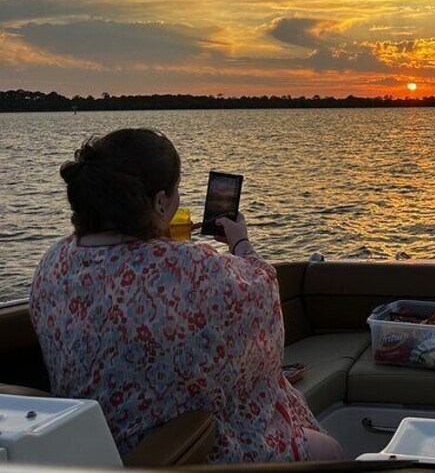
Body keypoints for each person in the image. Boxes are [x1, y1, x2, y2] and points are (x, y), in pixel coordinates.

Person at [30, 128, 343, 463]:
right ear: (161, 201)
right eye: (176, 191)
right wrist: (241, 243)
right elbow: (261, 295)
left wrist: (157, 237)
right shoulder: (192, 267)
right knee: (330, 451)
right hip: (183, 446)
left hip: (90, 445)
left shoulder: (55, 261)